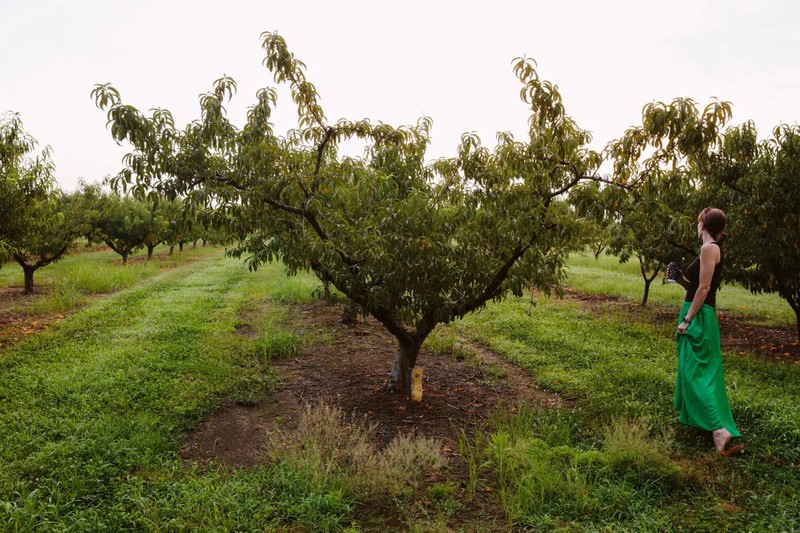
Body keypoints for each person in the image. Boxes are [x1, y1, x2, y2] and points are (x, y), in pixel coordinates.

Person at [673, 207, 743, 455]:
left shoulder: (708, 249)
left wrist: (688, 319)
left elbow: (703, 289)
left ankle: (718, 429)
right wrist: (679, 278)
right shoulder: (710, 249)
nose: (696, 224)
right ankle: (710, 425)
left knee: (695, 373)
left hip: (699, 316)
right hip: (700, 313)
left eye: (698, 221)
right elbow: (695, 287)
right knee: (699, 371)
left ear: (703, 224)